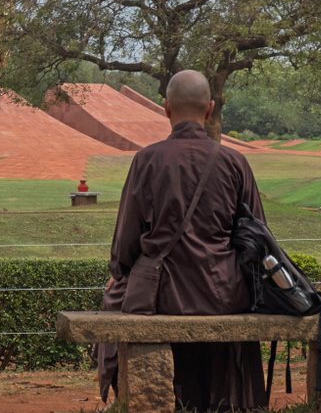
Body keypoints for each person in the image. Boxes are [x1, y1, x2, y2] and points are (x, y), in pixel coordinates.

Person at [96, 70, 268, 411]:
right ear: (210, 109)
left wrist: (120, 272)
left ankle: (134, 397)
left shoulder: (147, 160)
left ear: (165, 108)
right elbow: (256, 236)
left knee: (115, 294)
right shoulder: (235, 162)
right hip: (223, 294)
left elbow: (125, 244)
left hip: (161, 295)